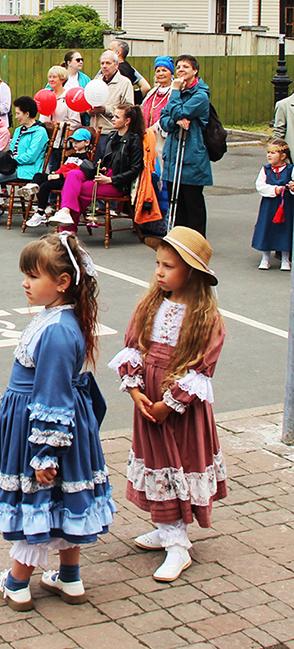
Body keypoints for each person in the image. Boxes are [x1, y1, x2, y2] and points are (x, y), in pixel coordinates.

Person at [0, 232, 112, 612]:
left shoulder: (56, 330)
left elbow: (52, 397)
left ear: (62, 282)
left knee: (37, 502)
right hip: (59, 424)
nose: (25, 282)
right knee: (65, 501)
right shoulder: (59, 319)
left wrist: (44, 454)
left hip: (44, 430)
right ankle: (69, 578)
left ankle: (18, 582)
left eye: (33, 276)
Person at [109, 226, 226, 583]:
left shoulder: (205, 318)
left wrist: (168, 403)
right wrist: (135, 390)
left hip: (179, 407)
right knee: (158, 462)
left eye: (169, 266)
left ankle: (178, 544)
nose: (159, 271)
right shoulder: (151, 305)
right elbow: (133, 347)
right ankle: (166, 529)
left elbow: (200, 371)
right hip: (149, 397)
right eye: (158, 264)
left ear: (190, 272)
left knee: (179, 461)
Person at [50, 105, 144, 230]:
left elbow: (134, 170)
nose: (113, 119)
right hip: (103, 174)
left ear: (127, 121)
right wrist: (102, 169)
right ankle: (65, 212)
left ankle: (67, 228)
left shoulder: (134, 140)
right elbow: (106, 160)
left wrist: (110, 180)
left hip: (117, 183)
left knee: (81, 190)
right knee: (73, 174)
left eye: (117, 117)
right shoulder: (112, 136)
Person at [0, 95, 49, 227]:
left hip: (27, 169)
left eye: (18, 113)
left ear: (27, 113)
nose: (17, 116)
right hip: (14, 166)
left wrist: (13, 159)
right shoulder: (19, 130)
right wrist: (9, 159)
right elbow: (13, 149)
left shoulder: (40, 132)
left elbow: (31, 156)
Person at [161, 55, 212, 237]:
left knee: (193, 202)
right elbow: (165, 119)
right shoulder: (179, 92)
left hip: (191, 155)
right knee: (177, 201)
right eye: (179, 66)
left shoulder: (200, 95)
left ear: (195, 71)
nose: (181, 69)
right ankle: (179, 240)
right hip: (174, 154)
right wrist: (177, 120)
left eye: (185, 67)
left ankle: (197, 241)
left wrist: (174, 94)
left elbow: (177, 111)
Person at [20, 128, 93, 228]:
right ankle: (32, 186)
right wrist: (54, 174)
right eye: (74, 141)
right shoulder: (72, 155)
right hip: (59, 176)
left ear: (87, 142)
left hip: (67, 181)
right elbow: (64, 167)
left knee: (45, 186)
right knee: (39, 175)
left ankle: (41, 212)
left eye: (78, 141)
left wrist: (59, 176)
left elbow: (77, 173)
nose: (75, 144)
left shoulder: (85, 158)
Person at [252, 140, 294, 270]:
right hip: (269, 206)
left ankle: (285, 259)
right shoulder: (265, 170)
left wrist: (292, 187)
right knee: (266, 228)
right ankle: (265, 258)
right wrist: (274, 190)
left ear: (283, 156)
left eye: (273, 153)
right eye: (268, 152)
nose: (269, 155)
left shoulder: (290, 170)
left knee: (285, 229)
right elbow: (260, 186)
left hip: (286, 206)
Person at [89, 51, 134, 159]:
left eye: (108, 63)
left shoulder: (125, 83)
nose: (104, 66)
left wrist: (106, 109)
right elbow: (87, 101)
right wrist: (89, 110)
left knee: (107, 167)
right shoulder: (96, 81)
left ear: (116, 65)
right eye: (102, 63)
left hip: (111, 132)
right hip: (93, 132)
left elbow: (129, 108)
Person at [141, 57, 175, 158]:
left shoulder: (174, 91)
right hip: (147, 136)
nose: (160, 74)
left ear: (171, 74)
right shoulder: (152, 92)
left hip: (164, 137)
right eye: (158, 71)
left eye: (164, 70)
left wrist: (155, 127)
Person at [108, 39, 151, 106]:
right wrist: (134, 98)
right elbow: (146, 87)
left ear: (118, 53)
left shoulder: (108, 69)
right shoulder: (131, 69)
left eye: (110, 50)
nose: (107, 52)